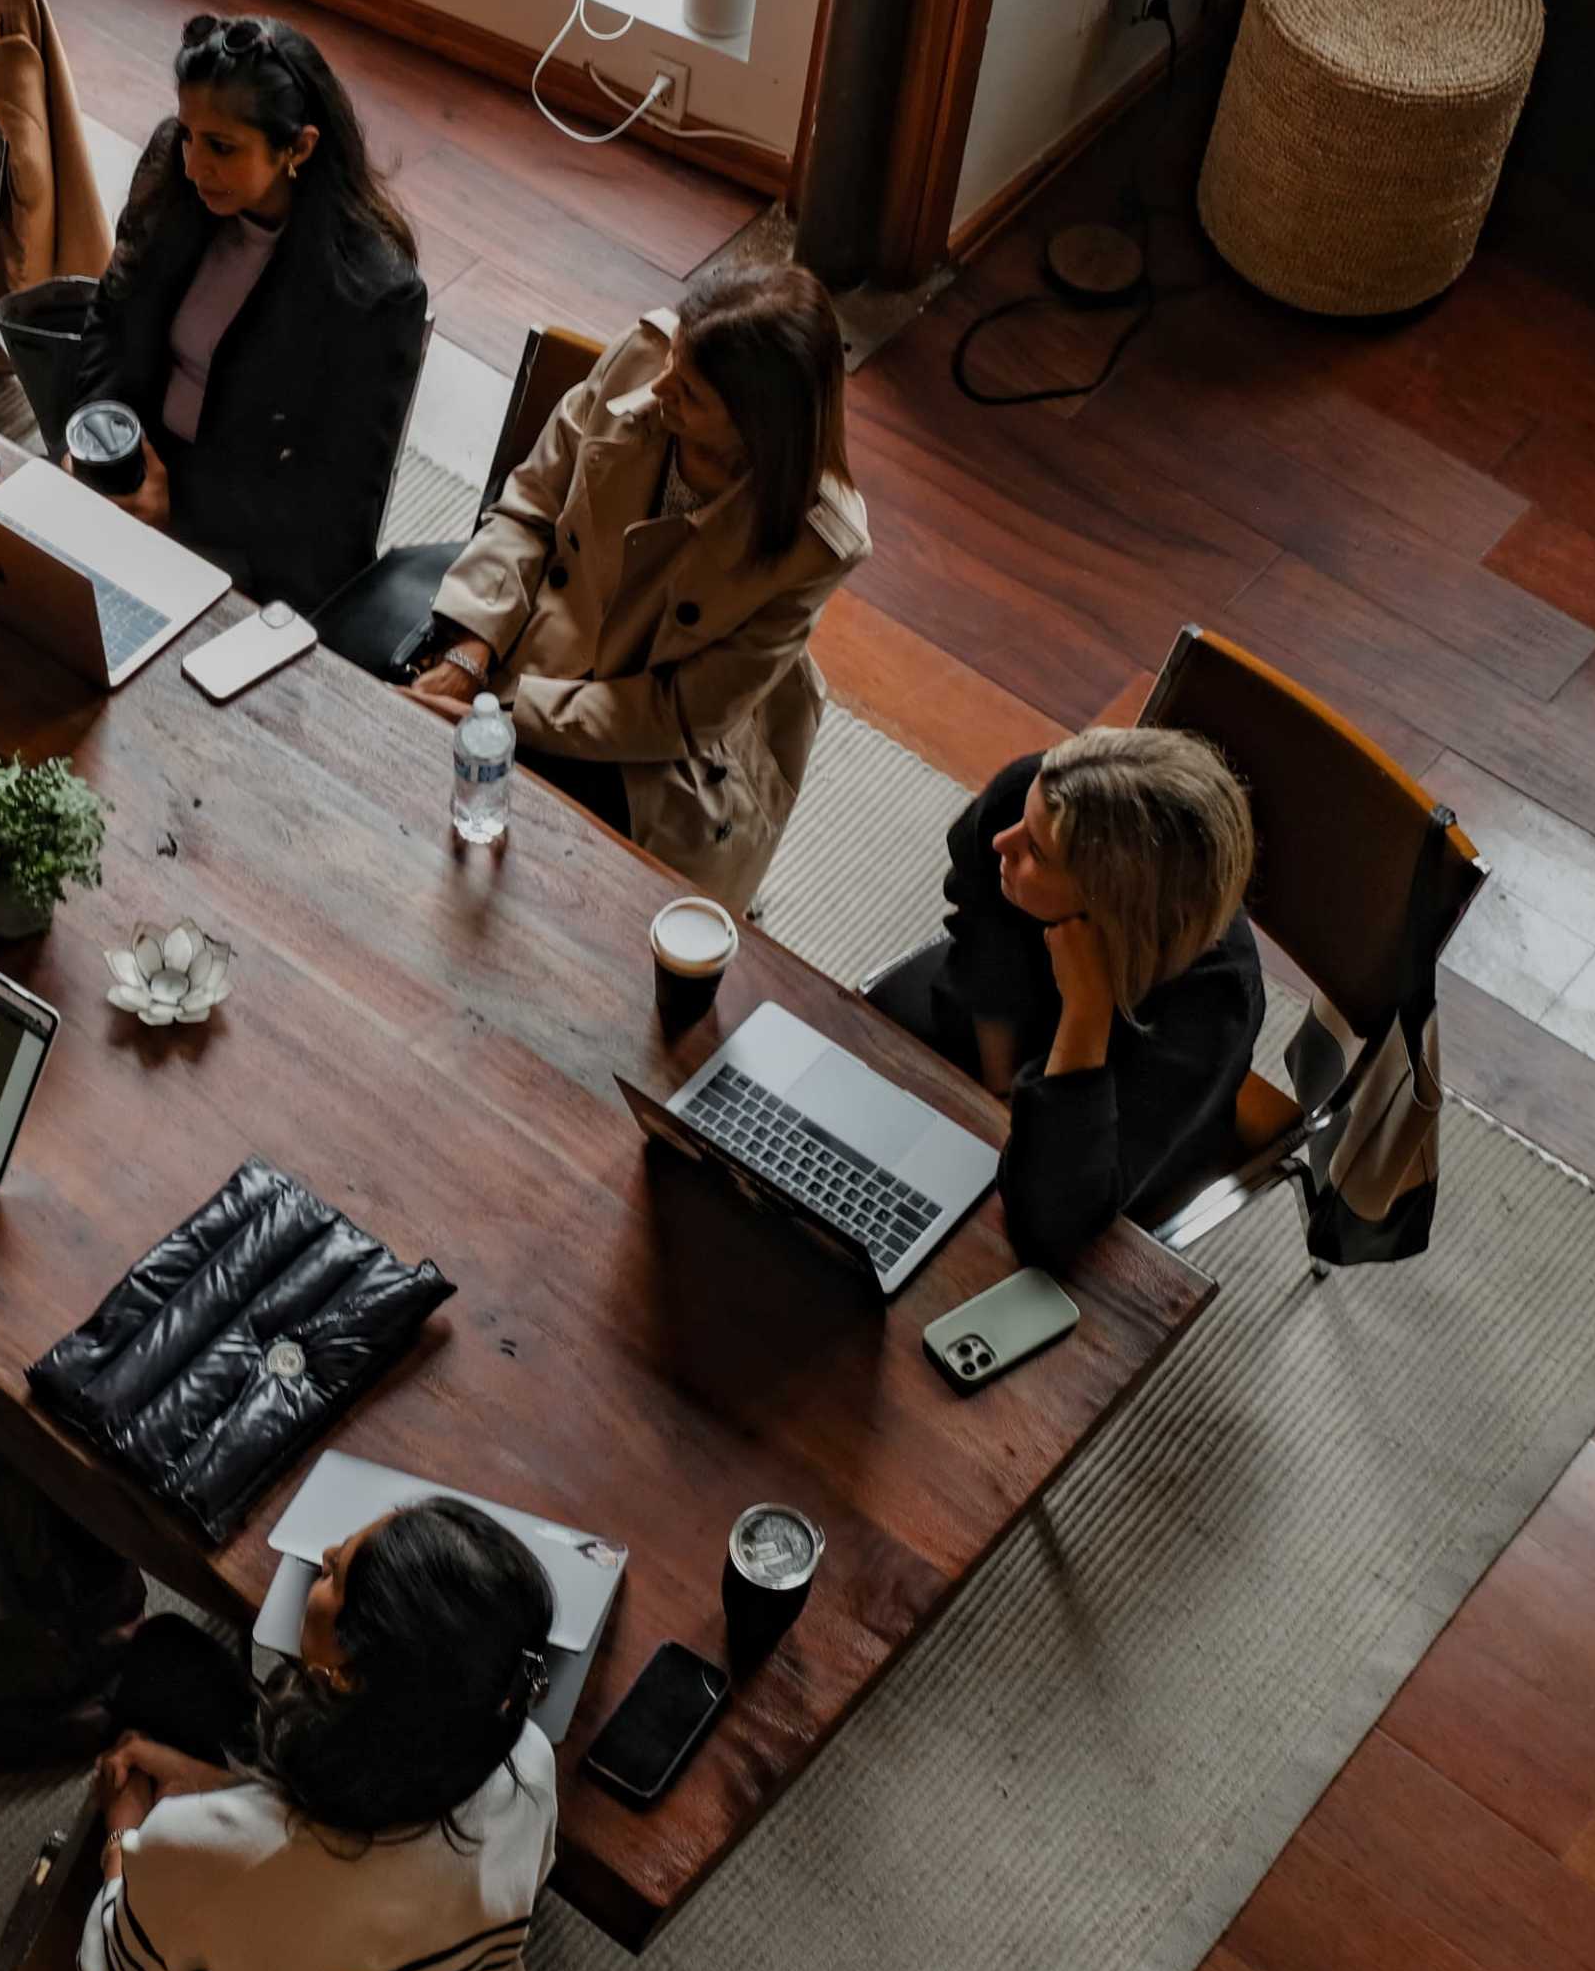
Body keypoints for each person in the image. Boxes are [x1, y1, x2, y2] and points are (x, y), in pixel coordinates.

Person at [405, 264, 870, 912]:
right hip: (535, 635)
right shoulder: (647, 355)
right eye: (675, 359)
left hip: (650, 744)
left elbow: (679, 712)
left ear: (756, 426)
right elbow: (532, 506)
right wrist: (469, 654)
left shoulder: (815, 542)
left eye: (691, 391)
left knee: (555, 893)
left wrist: (503, 717)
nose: (659, 386)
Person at [81, 1500, 560, 1971]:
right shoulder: (531, 1764)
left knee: (165, 1659)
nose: (325, 1554)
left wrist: (125, 1835)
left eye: (334, 1574)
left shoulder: (198, 1853)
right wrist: (222, 1792)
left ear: (347, 1674)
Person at [64, 14, 429, 614]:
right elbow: (112, 316)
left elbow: (335, 507)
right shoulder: (175, 177)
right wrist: (98, 439)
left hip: (245, 550)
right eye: (187, 134)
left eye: (221, 148)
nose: (191, 164)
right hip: (131, 476)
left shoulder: (373, 293)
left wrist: (172, 506)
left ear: (300, 147)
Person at [870, 726, 1265, 1268]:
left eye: (1034, 851)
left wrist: (1086, 1008)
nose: (1002, 843)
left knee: (998, 1252)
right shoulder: (1032, 794)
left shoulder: (1209, 1006)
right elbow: (979, 911)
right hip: (1001, 1029)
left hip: (1114, 1111)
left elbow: (1051, 1224)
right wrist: (999, 1082)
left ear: (1112, 906)